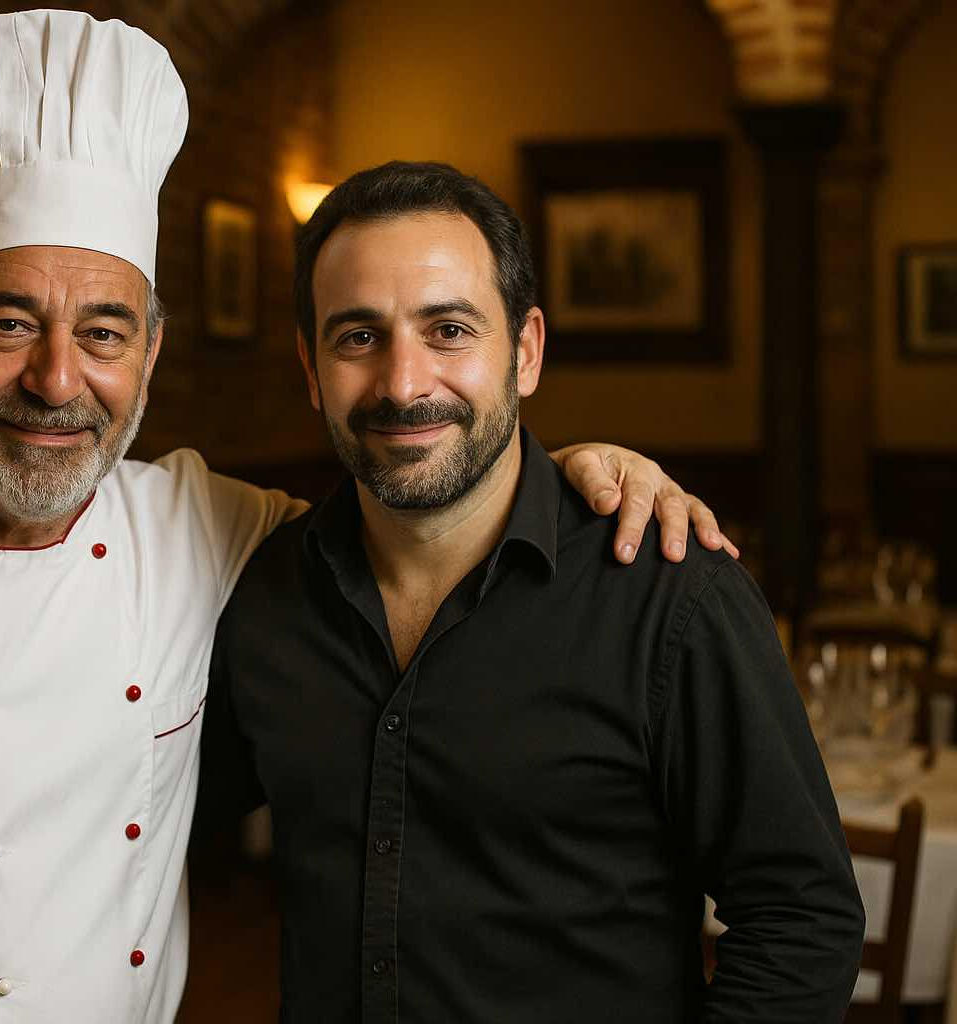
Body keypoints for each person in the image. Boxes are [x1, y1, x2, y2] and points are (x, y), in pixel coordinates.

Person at [0, 14, 731, 1024]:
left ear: (151, 353)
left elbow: (423, 504)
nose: (56, 379)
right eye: (7, 323)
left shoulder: (203, 526)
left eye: (103, 332)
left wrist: (575, 471)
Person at [199, 160, 866, 1023]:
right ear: (310, 367)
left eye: (448, 330)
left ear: (524, 352)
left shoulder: (668, 594)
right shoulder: (262, 592)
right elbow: (140, 823)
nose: (402, 383)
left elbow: (802, 921)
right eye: (358, 337)